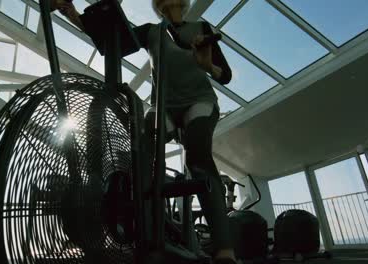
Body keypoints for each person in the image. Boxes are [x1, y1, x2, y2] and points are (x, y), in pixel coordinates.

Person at [58, 0, 235, 263]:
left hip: (199, 101)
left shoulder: (201, 28)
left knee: (197, 159)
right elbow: (110, 45)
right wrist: (71, 14)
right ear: (158, 6)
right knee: (142, 161)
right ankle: (148, 235)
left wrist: (207, 65)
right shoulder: (151, 31)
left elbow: (226, 76)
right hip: (163, 105)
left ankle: (224, 248)